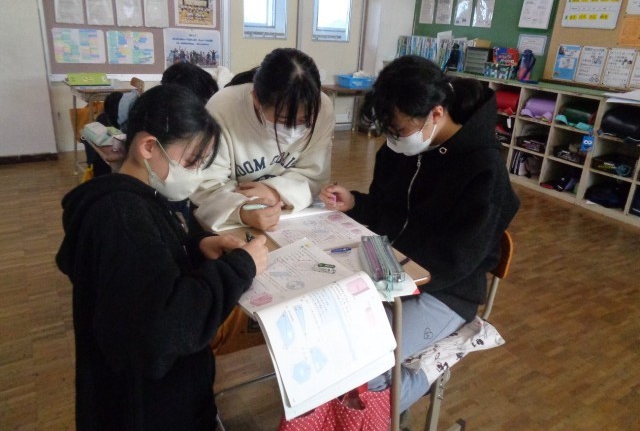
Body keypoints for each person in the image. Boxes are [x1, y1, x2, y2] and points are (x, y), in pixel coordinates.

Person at [56, 84, 269, 431]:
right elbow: (164, 327)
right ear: (148, 147)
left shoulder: (136, 200)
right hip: (144, 410)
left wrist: (195, 249)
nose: (196, 174)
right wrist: (239, 268)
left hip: (147, 398)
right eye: (192, 162)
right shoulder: (122, 218)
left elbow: (148, 276)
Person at [319, 55, 520, 412]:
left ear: (436, 114)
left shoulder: (482, 168)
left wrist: (398, 277)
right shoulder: (398, 150)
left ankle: (420, 377)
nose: (392, 139)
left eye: (398, 130)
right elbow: (386, 211)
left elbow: (459, 258)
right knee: (329, 337)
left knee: (364, 365)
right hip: (387, 272)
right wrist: (355, 203)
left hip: (445, 291)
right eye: (388, 130)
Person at [191, 48, 335, 232]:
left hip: (287, 216)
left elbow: (315, 176)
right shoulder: (223, 108)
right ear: (256, 99)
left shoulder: (323, 108)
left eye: (304, 121)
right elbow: (206, 187)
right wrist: (241, 210)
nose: (293, 131)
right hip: (230, 221)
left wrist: (274, 192)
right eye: (283, 120)